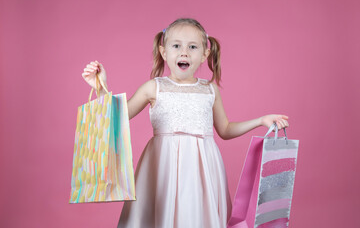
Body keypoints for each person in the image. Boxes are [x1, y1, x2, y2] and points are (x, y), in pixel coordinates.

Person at [81, 18, 289, 228]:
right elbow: (117, 118)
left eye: (192, 47)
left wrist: (261, 121)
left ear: (204, 55)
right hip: (162, 165)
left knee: (197, 216)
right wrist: (101, 88)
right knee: (161, 215)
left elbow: (225, 129)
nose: (184, 52)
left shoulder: (210, 90)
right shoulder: (154, 87)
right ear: (164, 52)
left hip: (203, 167)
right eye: (176, 46)